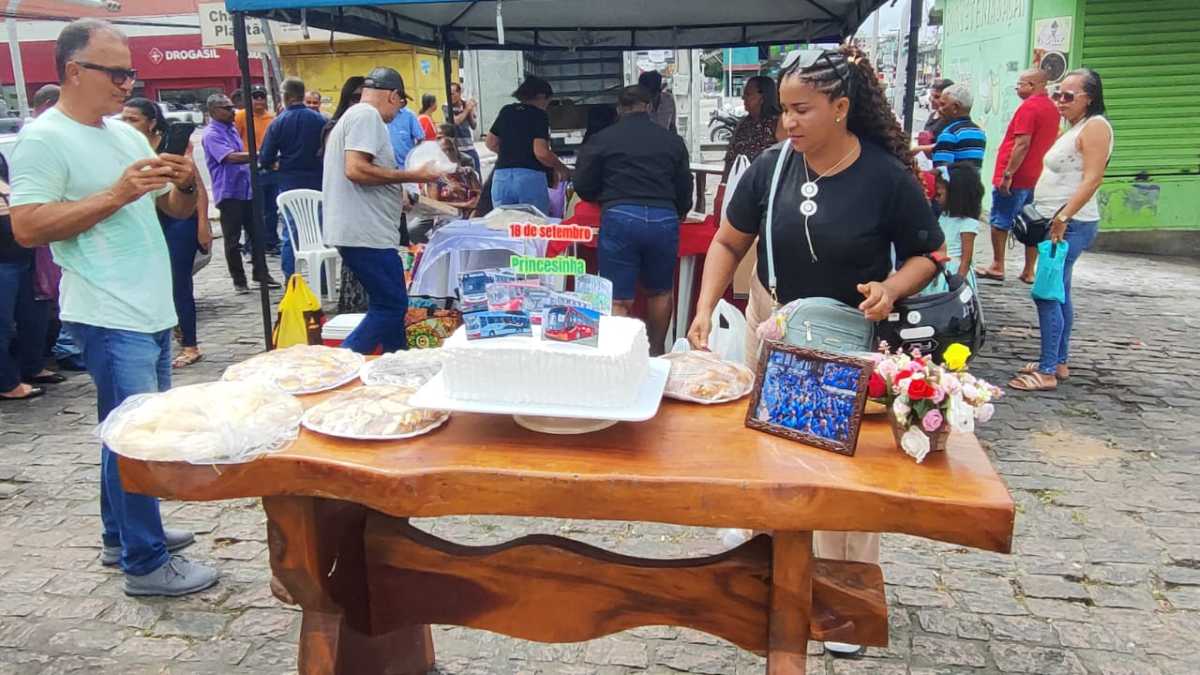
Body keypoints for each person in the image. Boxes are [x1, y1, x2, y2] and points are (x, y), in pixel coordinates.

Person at [687, 45, 942, 657]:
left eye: (803, 110)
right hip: (772, 330)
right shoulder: (771, 167)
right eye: (783, 111)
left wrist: (892, 287)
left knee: (840, 472)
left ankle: (839, 606)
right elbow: (726, 240)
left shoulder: (885, 176)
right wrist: (703, 307)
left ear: (841, 107)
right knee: (769, 459)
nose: (789, 123)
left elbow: (929, 255)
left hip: (847, 345)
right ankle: (769, 582)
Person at [9, 19, 217, 596]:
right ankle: (145, 562)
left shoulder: (123, 134)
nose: (129, 83)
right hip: (106, 309)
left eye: (131, 71)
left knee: (123, 432)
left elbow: (166, 212)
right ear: (74, 71)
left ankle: (120, 533)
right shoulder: (43, 138)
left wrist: (185, 186)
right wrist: (115, 194)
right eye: (117, 71)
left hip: (148, 307)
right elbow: (27, 227)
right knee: (137, 437)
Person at [322, 67, 443, 354]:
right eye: (401, 103)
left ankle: (397, 363)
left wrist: (397, 192)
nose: (399, 112)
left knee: (391, 305)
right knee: (391, 305)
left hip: (365, 230)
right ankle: (342, 362)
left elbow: (362, 172)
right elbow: (356, 169)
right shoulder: (367, 115)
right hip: (365, 233)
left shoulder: (355, 116)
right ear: (393, 96)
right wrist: (413, 175)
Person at [1010, 69, 1113, 393]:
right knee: (1060, 291)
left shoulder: (1095, 127)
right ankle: (1057, 360)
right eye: (1058, 94)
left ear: (1090, 98)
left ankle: (1047, 369)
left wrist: (1065, 216)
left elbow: (1093, 178)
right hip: (1061, 220)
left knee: (1047, 292)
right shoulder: (1077, 127)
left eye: (1069, 96)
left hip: (1070, 224)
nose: (1060, 101)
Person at [573, 85, 692, 356]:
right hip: (663, 217)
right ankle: (657, 351)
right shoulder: (671, 140)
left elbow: (582, 182)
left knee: (619, 298)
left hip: (620, 215)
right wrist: (680, 209)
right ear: (649, 107)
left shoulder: (603, 139)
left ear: (619, 109)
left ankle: (622, 356)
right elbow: (685, 186)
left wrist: (601, 196)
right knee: (660, 291)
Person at [121, 97, 212, 368]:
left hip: (180, 219)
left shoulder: (171, 147)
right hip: (150, 221)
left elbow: (196, 187)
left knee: (179, 283)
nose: (127, 125)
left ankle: (190, 344)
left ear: (151, 123)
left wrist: (203, 224)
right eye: (123, 119)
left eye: (133, 119)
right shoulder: (126, 148)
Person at [977, 69, 1061, 284]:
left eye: (1020, 84)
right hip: (1037, 176)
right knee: (1034, 222)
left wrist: (1008, 174)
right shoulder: (1052, 108)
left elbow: (1022, 144)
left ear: (1032, 85)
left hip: (1018, 176)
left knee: (1000, 220)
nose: (1017, 88)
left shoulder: (1029, 108)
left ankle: (998, 264)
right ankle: (1029, 270)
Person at [202, 93, 280, 293]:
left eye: (231, 107)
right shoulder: (212, 133)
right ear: (213, 111)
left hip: (247, 189)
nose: (232, 111)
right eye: (226, 108)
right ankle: (239, 280)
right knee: (233, 239)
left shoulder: (232, 129)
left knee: (257, 234)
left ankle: (260, 274)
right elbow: (229, 157)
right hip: (229, 192)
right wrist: (259, 156)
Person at [0, 154, 58, 401]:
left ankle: (31, 366)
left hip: (24, 251)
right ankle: (7, 382)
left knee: (35, 314)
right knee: (2, 323)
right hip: (4, 258)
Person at [260, 76, 327, 281]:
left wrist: (278, 162)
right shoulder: (321, 120)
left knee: (291, 233)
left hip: (290, 186)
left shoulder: (278, 123)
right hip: (318, 184)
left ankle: (292, 280)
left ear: (286, 96)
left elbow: (265, 158)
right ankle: (323, 280)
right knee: (320, 234)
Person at [485, 76, 569, 216]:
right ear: (542, 96)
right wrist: (561, 168)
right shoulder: (539, 115)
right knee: (533, 229)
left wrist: (512, 153)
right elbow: (541, 152)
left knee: (504, 228)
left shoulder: (506, 111)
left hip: (501, 177)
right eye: (548, 101)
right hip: (529, 179)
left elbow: (490, 143)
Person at [925, 162, 984, 293]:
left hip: (952, 272)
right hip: (939, 266)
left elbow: (966, 259)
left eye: (940, 193)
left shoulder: (968, 223)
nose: (937, 197)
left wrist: (959, 280)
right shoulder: (944, 216)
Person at [235, 85, 279, 254]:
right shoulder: (241, 116)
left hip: (270, 168)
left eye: (262, 96)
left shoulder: (271, 118)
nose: (259, 100)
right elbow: (236, 140)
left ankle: (271, 241)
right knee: (254, 209)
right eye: (255, 96)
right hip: (250, 168)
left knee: (271, 209)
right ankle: (252, 244)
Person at [723, 75, 784, 175]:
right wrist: (724, 185)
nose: (743, 97)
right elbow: (730, 158)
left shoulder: (779, 123)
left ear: (763, 97)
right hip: (740, 184)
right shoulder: (743, 123)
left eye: (748, 94)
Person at [931, 83, 986, 169]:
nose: (939, 109)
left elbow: (941, 174)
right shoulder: (980, 133)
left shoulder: (949, 134)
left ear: (955, 107)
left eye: (943, 105)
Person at [387, 93, 427, 168]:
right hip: (387, 167)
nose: (403, 102)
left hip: (406, 167)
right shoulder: (382, 114)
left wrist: (413, 158)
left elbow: (420, 138)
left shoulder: (409, 115)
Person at [448, 82, 480, 173]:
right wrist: (467, 109)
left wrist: (470, 110)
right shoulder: (447, 106)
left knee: (476, 175)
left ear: (459, 93)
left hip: (469, 146)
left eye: (452, 94)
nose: (450, 96)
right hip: (456, 149)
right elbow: (455, 121)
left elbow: (473, 125)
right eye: (449, 94)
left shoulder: (465, 104)